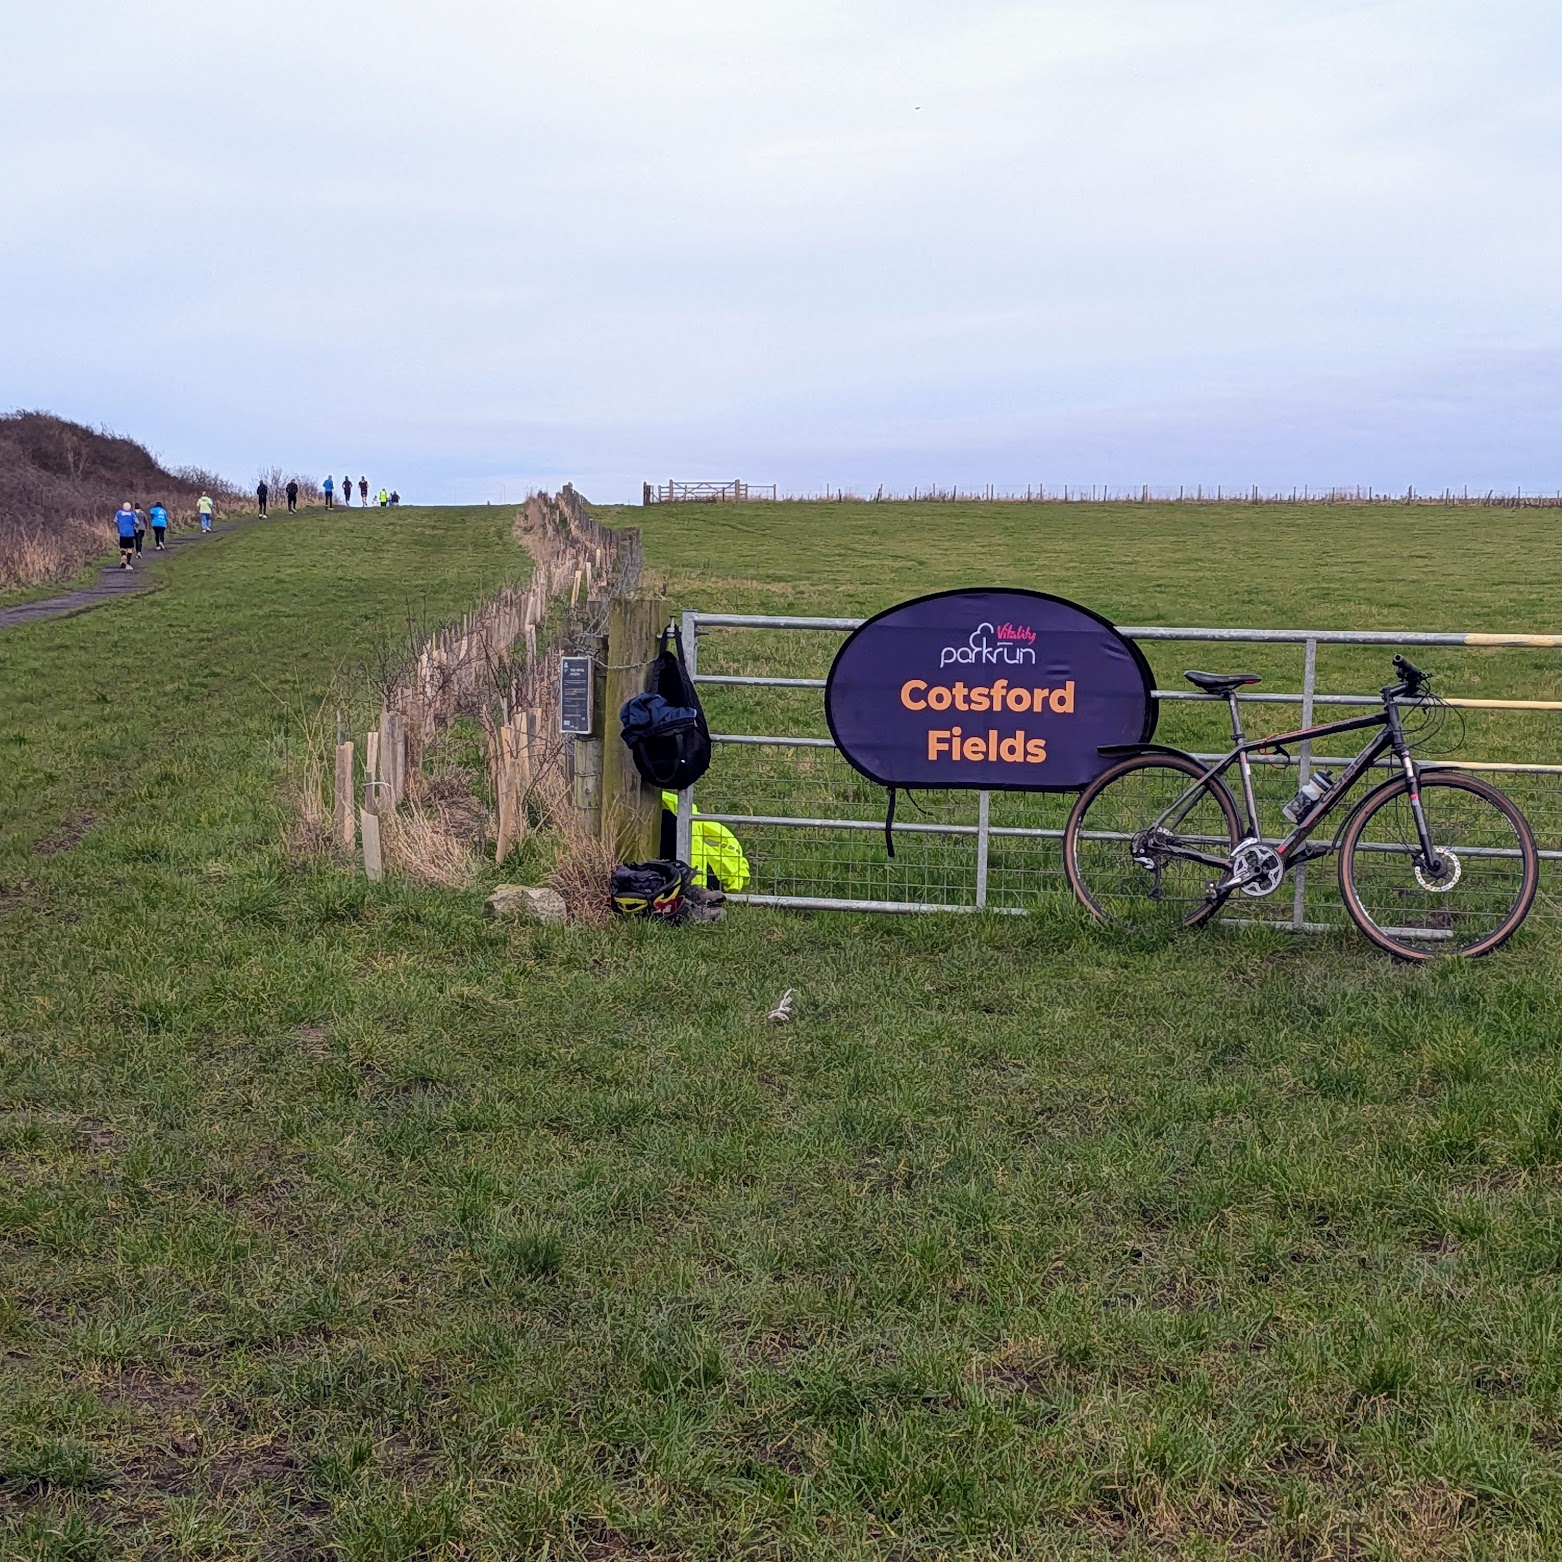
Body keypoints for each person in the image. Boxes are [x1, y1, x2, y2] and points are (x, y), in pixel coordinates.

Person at [115, 501, 137, 569]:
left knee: (122, 547)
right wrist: (134, 527)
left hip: (122, 533)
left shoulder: (119, 513)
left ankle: (123, 556)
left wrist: (119, 526)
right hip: (130, 533)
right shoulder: (132, 514)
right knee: (130, 548)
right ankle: (128, 562)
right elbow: (137, 522)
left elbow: (115, 521)